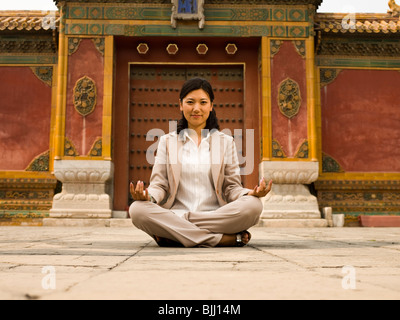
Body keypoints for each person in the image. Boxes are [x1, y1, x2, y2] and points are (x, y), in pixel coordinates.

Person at [129, 78, 272, 248]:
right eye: (190, 102)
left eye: (203, 102)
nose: (196, 108)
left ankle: (177, 233)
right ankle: (221, 239)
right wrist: (149, 197)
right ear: (181, 105)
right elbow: (160, 185)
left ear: (211, 106)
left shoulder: (225, 142)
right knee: (137, 210)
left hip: (215, 215)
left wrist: (249, 194)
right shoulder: (167, 142)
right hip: (177, 212)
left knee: (253, 206)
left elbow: (231, 188)